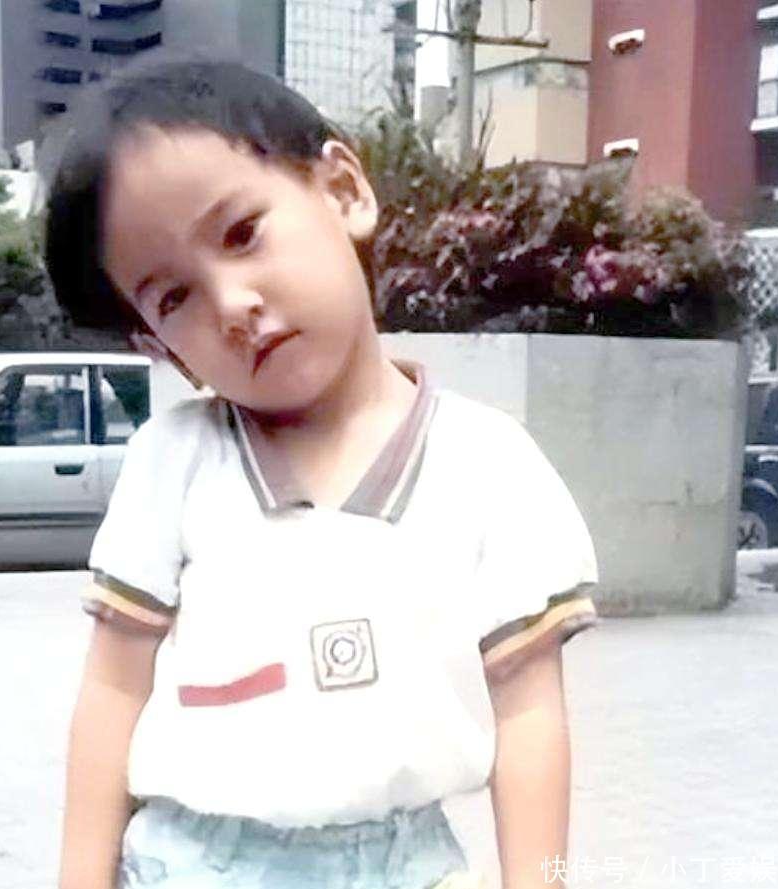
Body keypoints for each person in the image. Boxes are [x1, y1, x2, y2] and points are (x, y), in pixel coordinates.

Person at [44, 58, 599, 889]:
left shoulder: (491, 463)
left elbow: (530, 719)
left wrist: (541, 881)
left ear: (343, 190)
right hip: (189, 865)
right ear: (158, 346)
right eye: (174, 298)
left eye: (241, 233)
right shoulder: (175, 461)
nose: (231, 304)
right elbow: (112, 691)